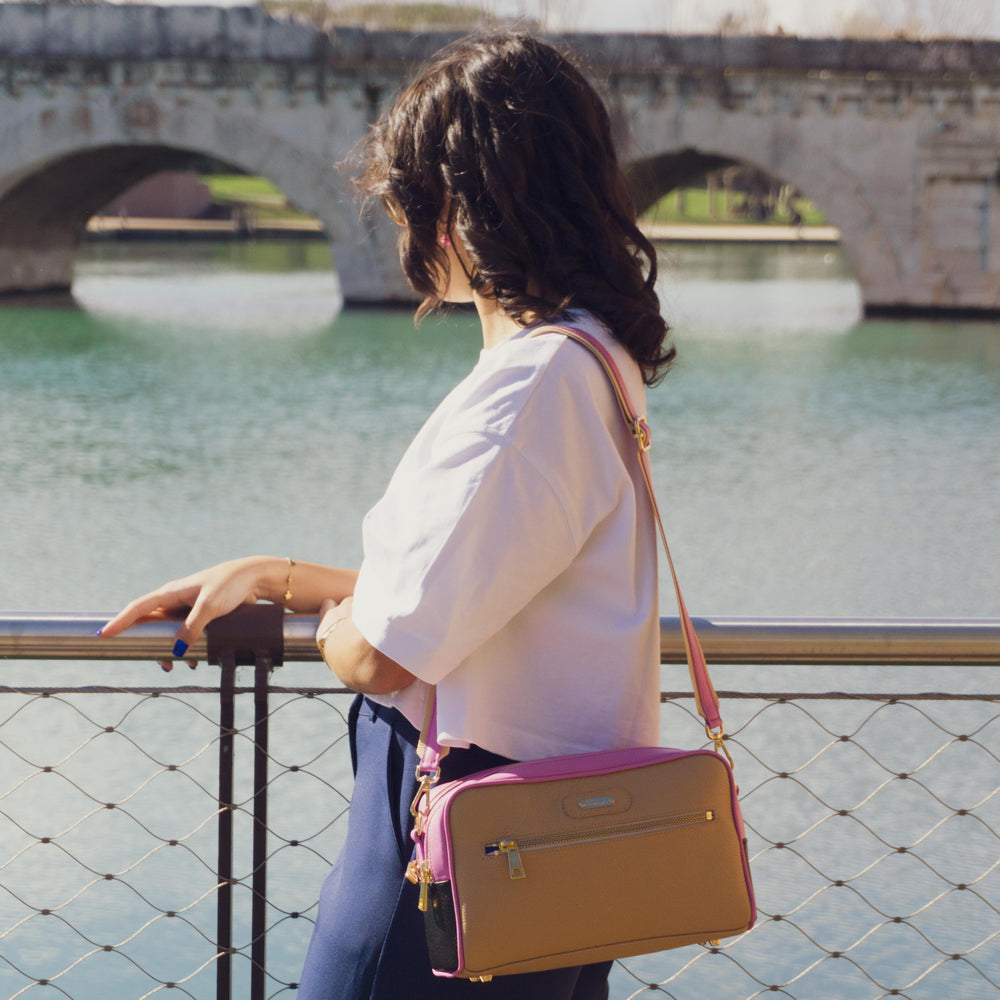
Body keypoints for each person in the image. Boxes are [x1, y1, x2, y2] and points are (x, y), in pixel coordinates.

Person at [100, 31, 674, 1000]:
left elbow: (386, 651)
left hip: (445, 879)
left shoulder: (529, 388)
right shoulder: (597, 368)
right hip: (556, 865)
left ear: (452, 210)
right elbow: (483, 588)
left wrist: (330, 626)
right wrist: (277, 574)